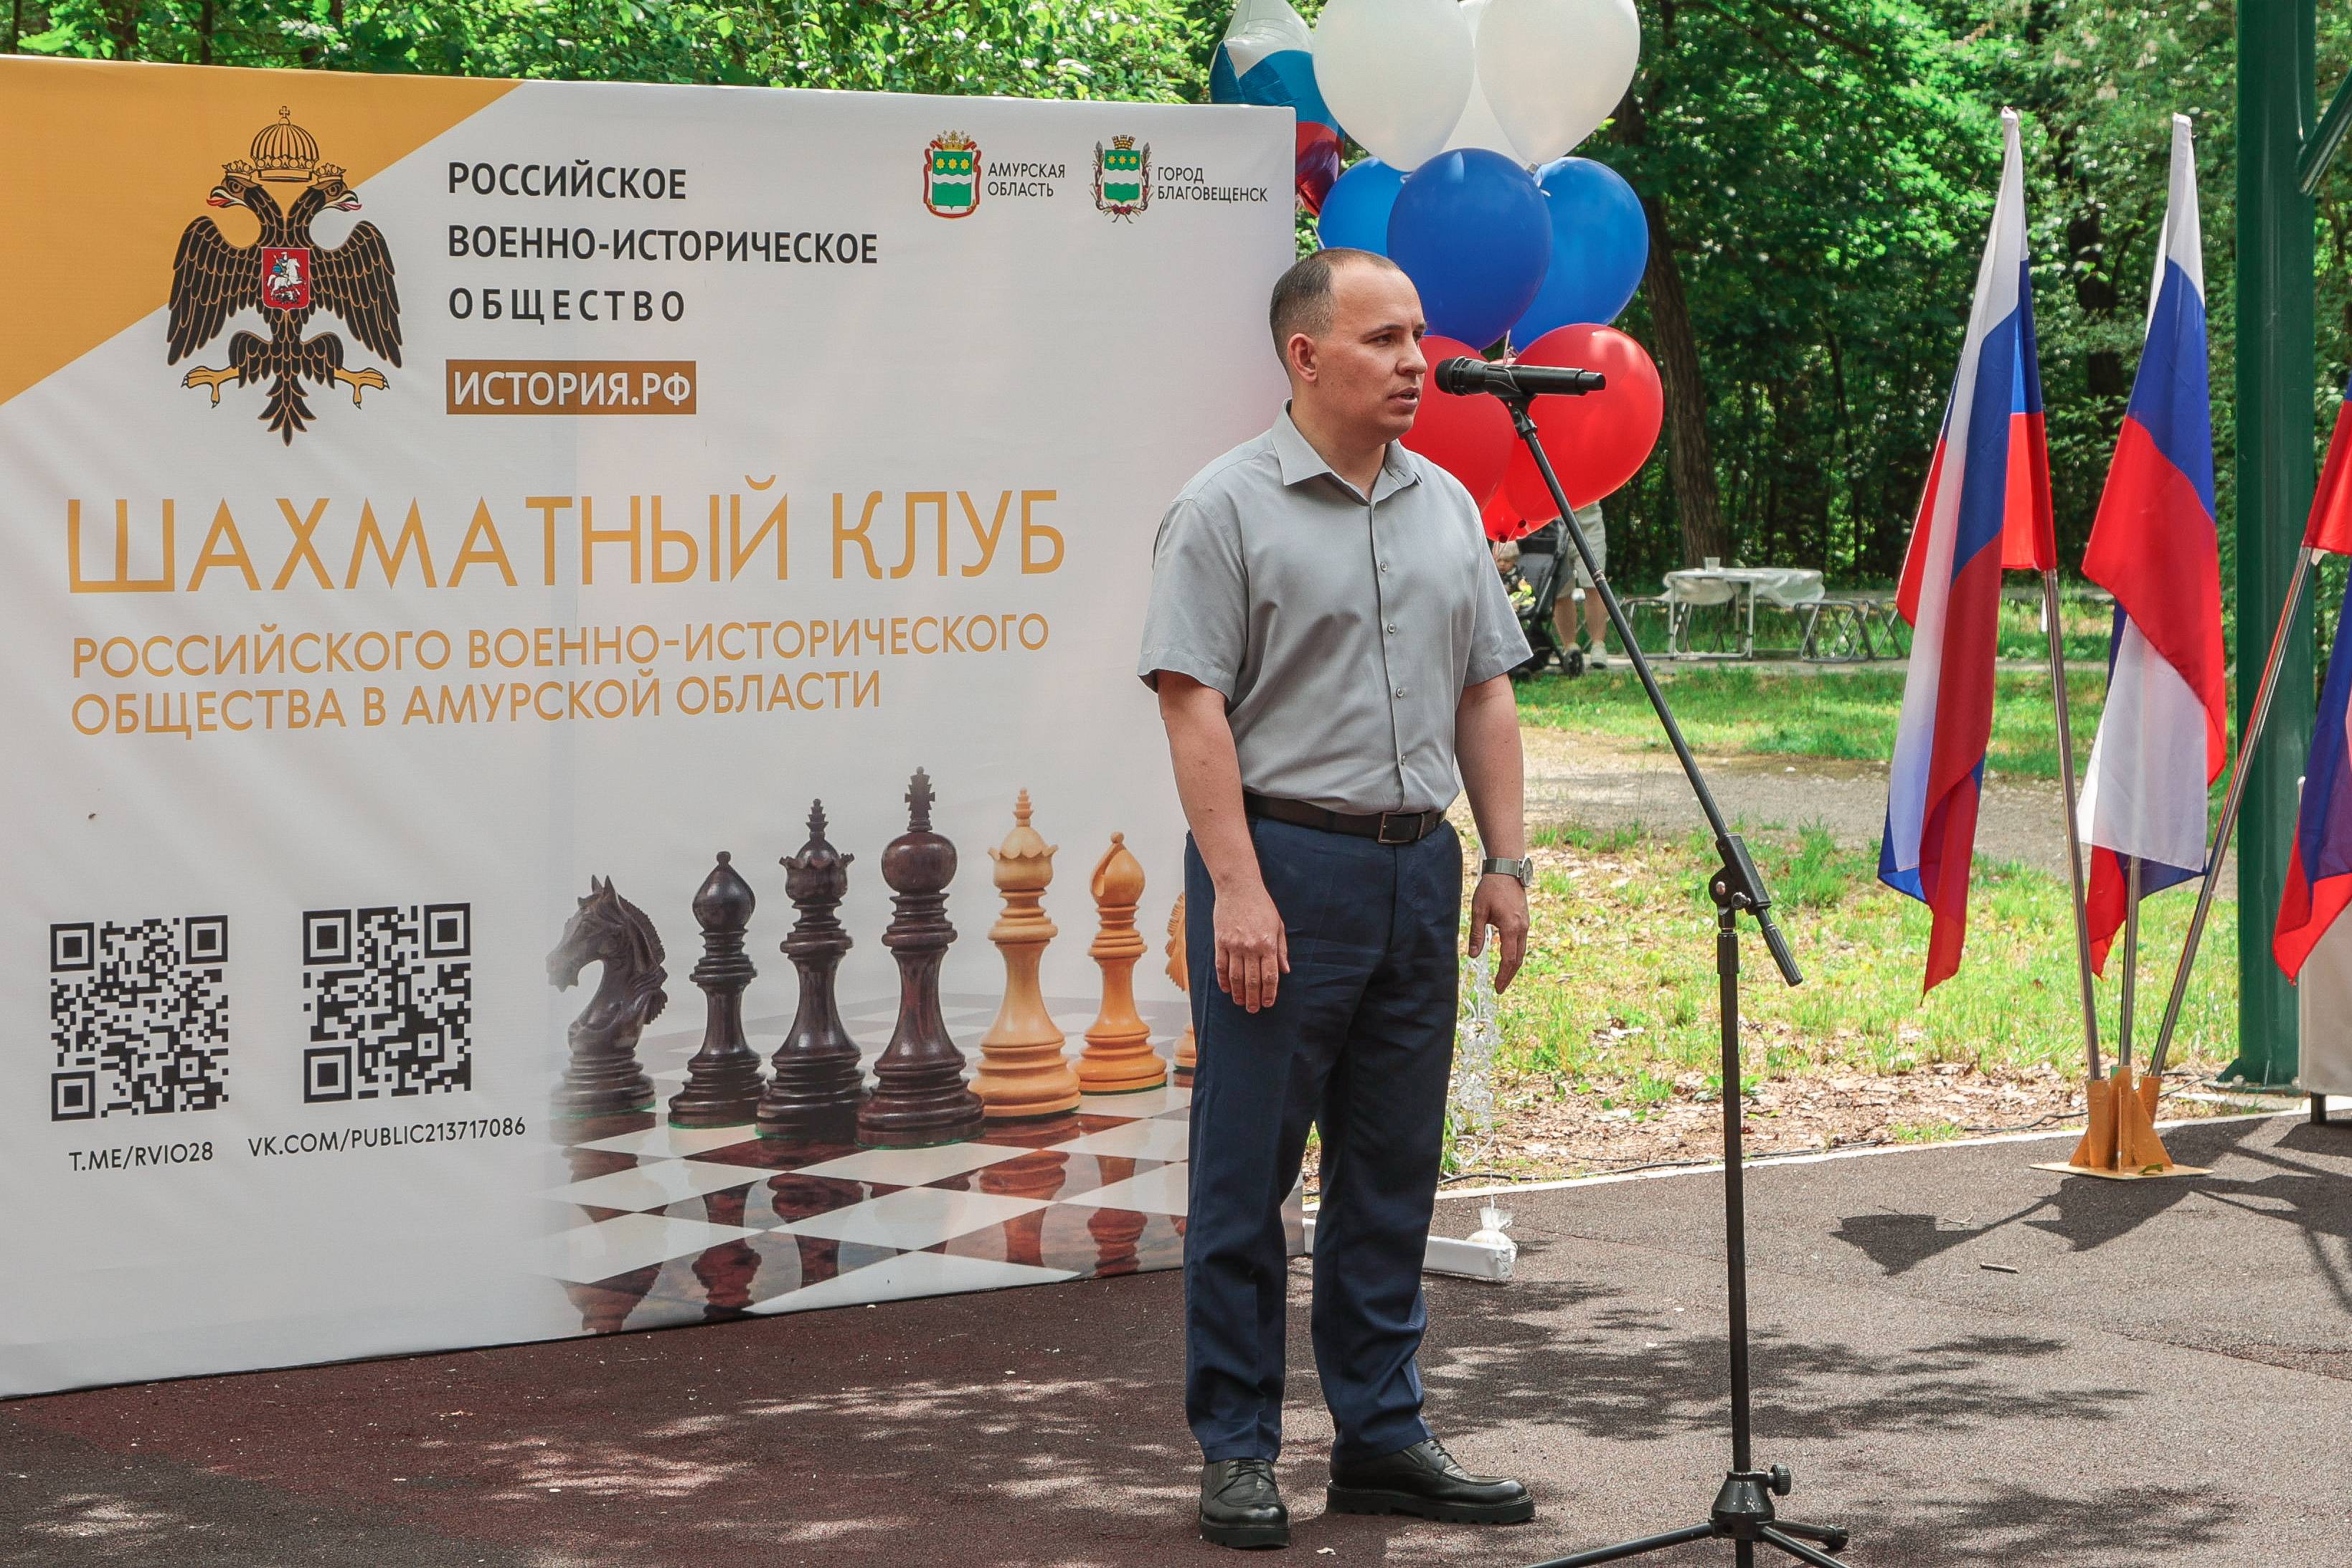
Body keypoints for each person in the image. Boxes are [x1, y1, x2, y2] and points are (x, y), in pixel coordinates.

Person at [1138, 247, 1538, 1550]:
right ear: (1304, 356)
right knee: (1245, 1175)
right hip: (1282, 867)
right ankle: (1237, 1447)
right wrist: (1237, 889)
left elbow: (1484, 686)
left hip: (1417, 869)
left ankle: (1379, 1437)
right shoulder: (1222, 507)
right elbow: (1191, 706)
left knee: (1389, 1172)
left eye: (1417, 336)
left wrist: (1505, 860)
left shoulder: (1445, 504)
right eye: (1383, 340)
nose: (1416, 362)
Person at [1514, 502, 1611, 668]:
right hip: (1553, 521)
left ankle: (1598, 647)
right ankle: (1570, 649)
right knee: (1560, 589)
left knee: (1594, 584)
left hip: (1587, 517)